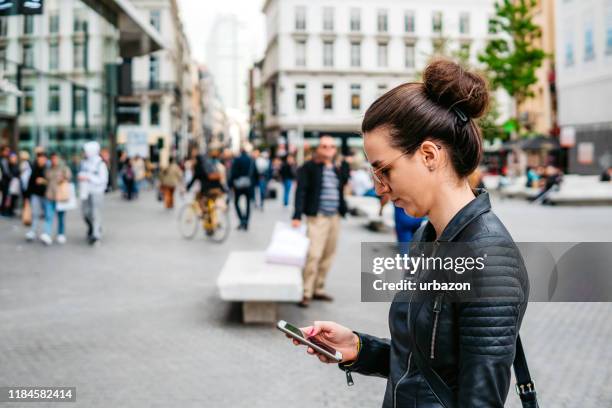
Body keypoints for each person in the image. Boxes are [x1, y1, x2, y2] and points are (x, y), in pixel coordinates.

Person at [286, 59, 530, 407]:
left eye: (384, 170)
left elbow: (480, 399)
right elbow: (422, 366)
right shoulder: (426, 237)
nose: (380, 188)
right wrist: (357, 348)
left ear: (429, 154)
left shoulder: (488, 256)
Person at [292, 135, 347, 307]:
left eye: (331, 146)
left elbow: (343, 186)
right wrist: (296, 215)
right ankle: (306, 291)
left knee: (328, 255)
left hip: (335, 216)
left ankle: (318, 289)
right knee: (314, 255)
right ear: (318, 149)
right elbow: (300, 191)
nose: (328, 149)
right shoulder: (308, 167)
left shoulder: (338, 167)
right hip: (317, 217)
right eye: (324, 146)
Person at [78, 141, 108, 246]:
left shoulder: (100, 163)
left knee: (96, 214)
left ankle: (96, 235)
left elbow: (103, 180)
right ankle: (93, 227)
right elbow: (82, 173)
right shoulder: (84, 162)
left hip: (97, 192)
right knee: (85, 213)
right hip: (86, 191)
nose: (84, 153)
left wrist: (88, 177)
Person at [44, 152, 72, 244]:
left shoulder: (64, 168)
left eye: (55, 158)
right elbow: (46, 178)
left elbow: (69, 177)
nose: (54, 160)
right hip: (50, 195)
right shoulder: (48, 168)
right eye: (52, 158)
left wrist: (63, 178)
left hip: (60, 196)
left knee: (61, 217)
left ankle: (61, 234)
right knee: (49, 216)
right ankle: (47, 234)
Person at [229, 147, 257, 230]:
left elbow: (233, 172)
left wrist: (230, 184)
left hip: (238, 185)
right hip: (249, 185)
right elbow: (255, 172)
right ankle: (246, 221)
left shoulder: (237, 160)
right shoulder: (251, 160)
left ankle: (242, 219)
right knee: (248, 203)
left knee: (236, 202)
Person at [25, 152, 49, 243]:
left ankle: (46, 233)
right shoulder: (34, 168)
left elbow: (52, 182)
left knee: (47, 215)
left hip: (46, 196)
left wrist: (44, 181)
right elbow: (30, 182)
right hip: (35, 195)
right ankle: (32, 232)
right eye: (39, 158)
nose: (41, 160)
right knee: (35, 214)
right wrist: (27, 197)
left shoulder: (48, 169)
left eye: (43, 158)